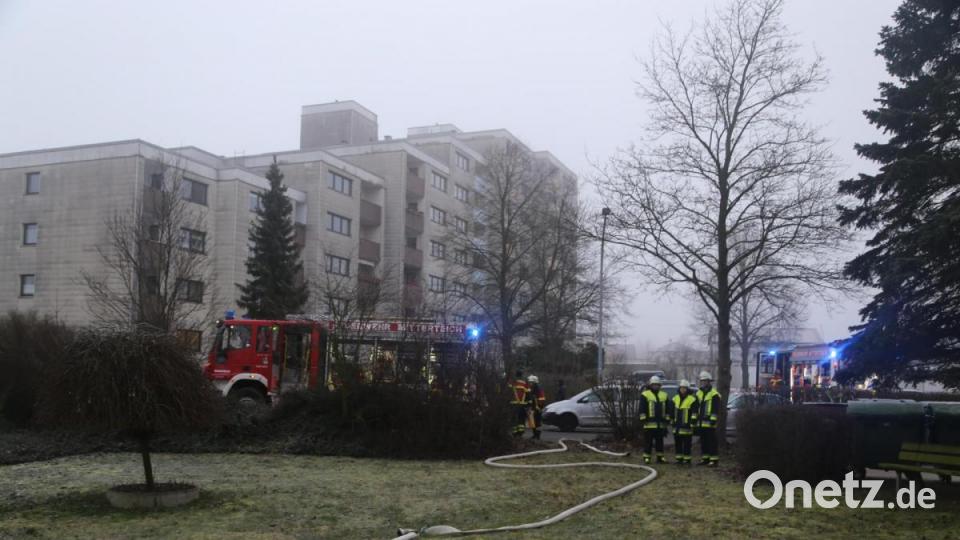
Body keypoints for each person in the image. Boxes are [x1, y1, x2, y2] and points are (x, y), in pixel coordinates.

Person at [639, 375, 669, 464]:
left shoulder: (664, 395)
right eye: (654, 385)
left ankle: (660, 457)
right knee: (648, 442)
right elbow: (642, 407)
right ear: (651, 385)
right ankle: (647, 457)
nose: (655, 386)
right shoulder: (645, 394)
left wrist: (667, 419)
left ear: (660, 385)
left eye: (657, 385)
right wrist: (643, 419)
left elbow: (667, 408)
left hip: (661, 424)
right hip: (649, 423)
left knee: (660, 442)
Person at [695, 371, 722, 467]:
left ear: (709, 381)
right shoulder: (698, 393)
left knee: (712, 441)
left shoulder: (714, 394)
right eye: (702, 381)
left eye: (705, 381)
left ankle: (713, 460)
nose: (703, 382)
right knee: (703, 441)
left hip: (710, 422)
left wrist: (713, 419)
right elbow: (696, 406)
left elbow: (716, 408)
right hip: (701, 422)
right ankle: (705, 459)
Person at [670, 379, 698, 465]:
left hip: (687, 426)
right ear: (679, 389)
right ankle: (679, 459)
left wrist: (692, 422)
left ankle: (687, 459)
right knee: (678, 443)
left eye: (685, 388)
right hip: (677, 426)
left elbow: (694, 412)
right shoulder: (675, 398)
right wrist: (671, 420)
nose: (683, 390)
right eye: (681, 388)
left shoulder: (692, 399)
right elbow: (671, 411)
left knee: (687, 444)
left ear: (688, 389)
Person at [509, 369, 529, 437]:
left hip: (513, 403)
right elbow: (528, 394)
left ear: (516, 375)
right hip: (522, 404)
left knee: (514, 419)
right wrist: (528, 403)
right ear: (522, 375)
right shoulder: (525, 384)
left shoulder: (512, 383)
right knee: (521, 418)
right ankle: (521, 432)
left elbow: (507, 393)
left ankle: (515, 432)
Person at [526, 375, 546, 439]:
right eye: (529, 382)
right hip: (534, 407)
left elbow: (542, 399)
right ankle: (535, 434)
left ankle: (537, 435)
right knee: (533, 422)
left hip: (537, 408)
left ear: (534, 382)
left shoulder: (538, 388)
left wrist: (539, 407)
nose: (530, 383)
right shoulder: (533, 388)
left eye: (531, 382)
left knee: (537, 422)